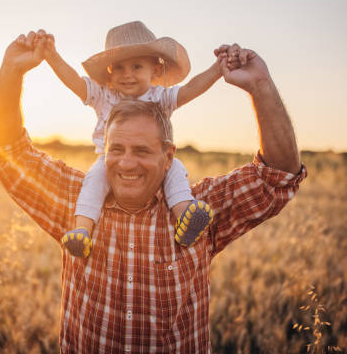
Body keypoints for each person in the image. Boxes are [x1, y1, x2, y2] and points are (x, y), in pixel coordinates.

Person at [0, 28, 306, 352]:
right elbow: (10, 153)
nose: (126, 164)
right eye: (116, 149)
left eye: (141, 151)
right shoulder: (77, 199)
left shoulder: (206, 207)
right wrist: (13, 70)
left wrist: (259, 86)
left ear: (168, 156)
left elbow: (276, 177)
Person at [35, 21, 227, 258]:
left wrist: (217, 70)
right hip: (110, 161)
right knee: (94, 181)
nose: (127, 75)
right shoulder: (104, 95)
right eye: (119, 68)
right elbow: (73, 80)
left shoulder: (160, 97)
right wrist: (51, 56)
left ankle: (185, 216)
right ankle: (82, 232)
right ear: (109, 72)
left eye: (136, 67)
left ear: (155, 71)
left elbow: (190, 89)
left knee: (176, 170)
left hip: (157, 162)